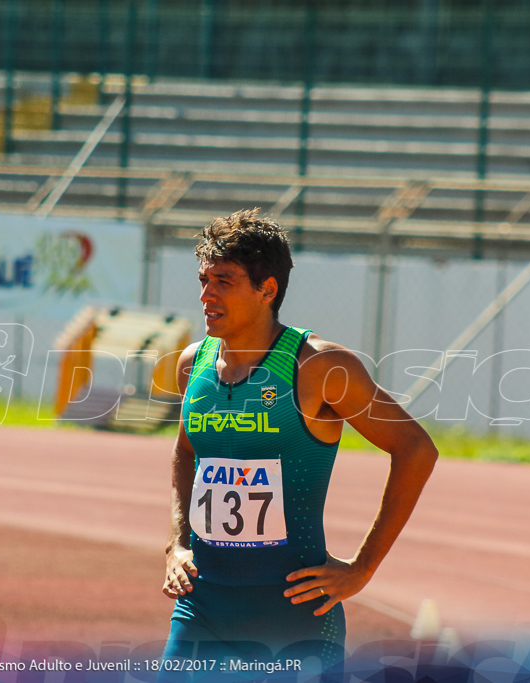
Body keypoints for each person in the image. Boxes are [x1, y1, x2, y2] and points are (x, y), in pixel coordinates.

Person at [161, 208, 438, 674]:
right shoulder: (194, 363)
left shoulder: (320, 367)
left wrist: (362, 566)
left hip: (293, 614)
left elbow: (416, 449)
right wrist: (177, 542)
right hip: (202, 608)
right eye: (203, 281)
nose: (206, 296)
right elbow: (187, 450)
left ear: (267, 289)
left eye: (223, 282)